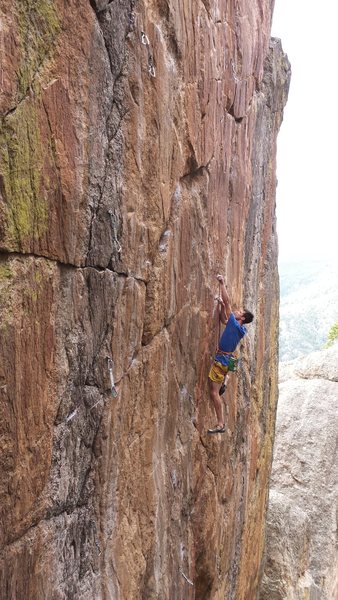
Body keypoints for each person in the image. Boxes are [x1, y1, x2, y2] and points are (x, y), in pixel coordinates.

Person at [207, 274, 254, 434]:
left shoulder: (236, 324)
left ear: (242, 317)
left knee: (214, 393)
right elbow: (223, 320)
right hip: (226, 360)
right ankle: (225, 381)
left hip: (221, 360)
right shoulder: (237, 327)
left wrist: (222, 283)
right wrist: (220, 306)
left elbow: (228, 303)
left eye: (239, 311)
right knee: (217, 387)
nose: (236, 310)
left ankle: (220, 424)